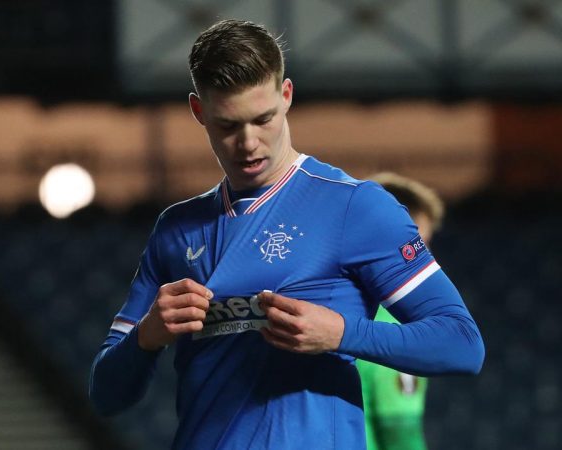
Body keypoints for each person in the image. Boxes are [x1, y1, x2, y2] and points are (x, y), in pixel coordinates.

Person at [89, 19, 484, 450]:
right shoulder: (176, 229)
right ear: (199, 112)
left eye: (263, 119)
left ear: (287, 96)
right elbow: (106, 395)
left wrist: (342, 334)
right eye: (228, 125)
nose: (248, 143)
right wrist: (147, 336)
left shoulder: (356, 207)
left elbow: (462, 344)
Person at [357, 172, 445, 450]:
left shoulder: (318, 305)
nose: (426, 259)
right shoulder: (399, 324)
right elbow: (400, 435)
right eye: (418, 245)